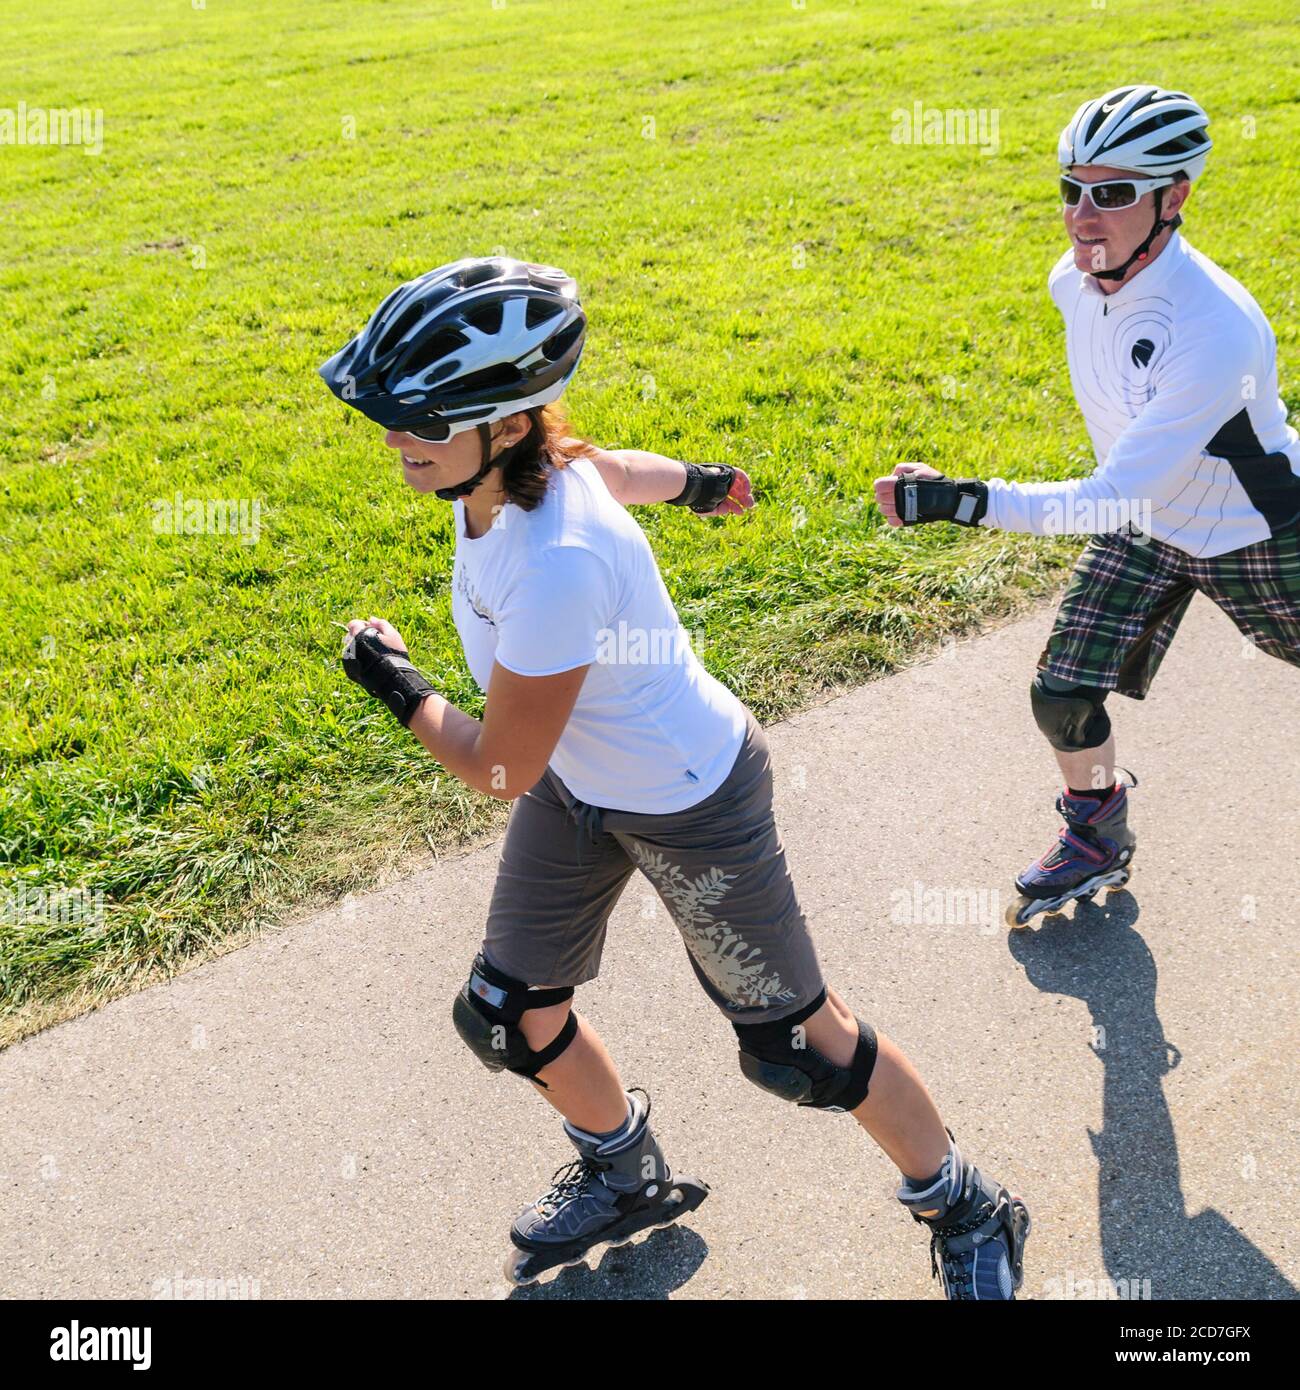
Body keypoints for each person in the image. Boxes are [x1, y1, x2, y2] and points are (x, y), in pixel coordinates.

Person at [318, 256, 1030, 1298]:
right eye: (392, 419)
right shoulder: (517, 472)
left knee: (800, 1046)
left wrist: (396, 685)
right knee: (508, 1013)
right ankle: (625, 1170)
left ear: (506, 424)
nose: (394, 440)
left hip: (689, 797)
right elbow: (618, 469)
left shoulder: (557, 558)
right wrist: (699, 483)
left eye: (421, 421)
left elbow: (500, 764)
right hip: (581, 778)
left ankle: (967, 1202)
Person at [874, 85, 1300, 928]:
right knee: (1062, 695)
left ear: (1174, 197)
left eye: (1112, 194)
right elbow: (1125, 484)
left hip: (1254, 532)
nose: (1082, 217)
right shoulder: (1073, 284)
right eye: (1073, 190)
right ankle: (1098, 834)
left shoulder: (1214, 326)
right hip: (1150, 527)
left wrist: (961, 501)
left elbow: (1104, 500)